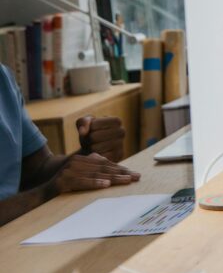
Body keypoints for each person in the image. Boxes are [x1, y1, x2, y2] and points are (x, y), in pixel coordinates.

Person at [0, 63, 139, 227]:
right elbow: (46, 187)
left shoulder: (3, 78)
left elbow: (37, 169)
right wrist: (45, 193)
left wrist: (88, 154)